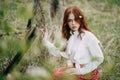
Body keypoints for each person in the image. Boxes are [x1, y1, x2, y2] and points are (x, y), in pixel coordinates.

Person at [41, 6, 104, 80]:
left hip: (87, 74)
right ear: (66, 22)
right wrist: (45, 40)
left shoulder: (88, 37)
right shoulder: (70, 36)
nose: (73, 23)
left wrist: (81, 71)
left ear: (80, 20)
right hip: (74, 70)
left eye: (76, 19)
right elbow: (58, 52)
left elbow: (99, 58)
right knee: (51, 75)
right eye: (70, 20)